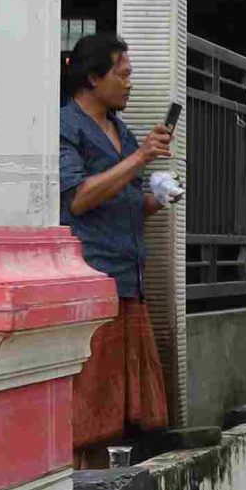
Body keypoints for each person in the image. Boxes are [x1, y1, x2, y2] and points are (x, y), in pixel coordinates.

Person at [59, 32, 174, 454]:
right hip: (94, 278)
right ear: (92, 77)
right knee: (91, 403)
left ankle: (114, 483)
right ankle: (81, 485)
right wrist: (141, 159)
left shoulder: (121, 132)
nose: (129, 84)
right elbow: (79, 198)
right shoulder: (67, 127)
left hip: (130, 279)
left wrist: (156, 200)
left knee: (130, 407)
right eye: (122, 75)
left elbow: (123, 203)